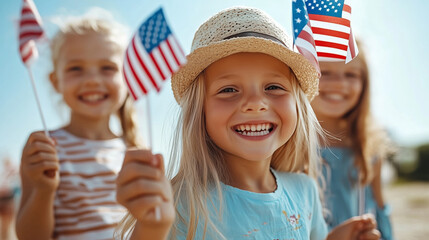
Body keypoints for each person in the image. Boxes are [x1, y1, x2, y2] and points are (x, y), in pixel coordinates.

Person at [115, 7, 380, 240]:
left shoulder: (304, 189)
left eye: (274, 87)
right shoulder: (179, 204)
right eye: (229, 89)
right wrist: (151, 228)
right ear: (200, 111)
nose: (256, 103)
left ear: (297, 105)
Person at [16, 15, 141, 240]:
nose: (92, 79)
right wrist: (43, 190)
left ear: (127, 78)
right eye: (76, 68)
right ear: (56, 81)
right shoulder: (44, 147)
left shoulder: (134, 150)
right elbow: (30, 236)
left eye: (107, 67)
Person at [311, 42, 394, 240]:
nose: (340, 83)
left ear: (364, 84)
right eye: (326, 72)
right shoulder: (285, 143)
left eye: (351, 75)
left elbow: (380, 208)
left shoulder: (369, 145)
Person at [0, 156, 19, 240]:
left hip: (8, 199)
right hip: (4, 198)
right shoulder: (5, 171)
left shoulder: (12, 170)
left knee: (7, 224)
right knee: (4, 226)